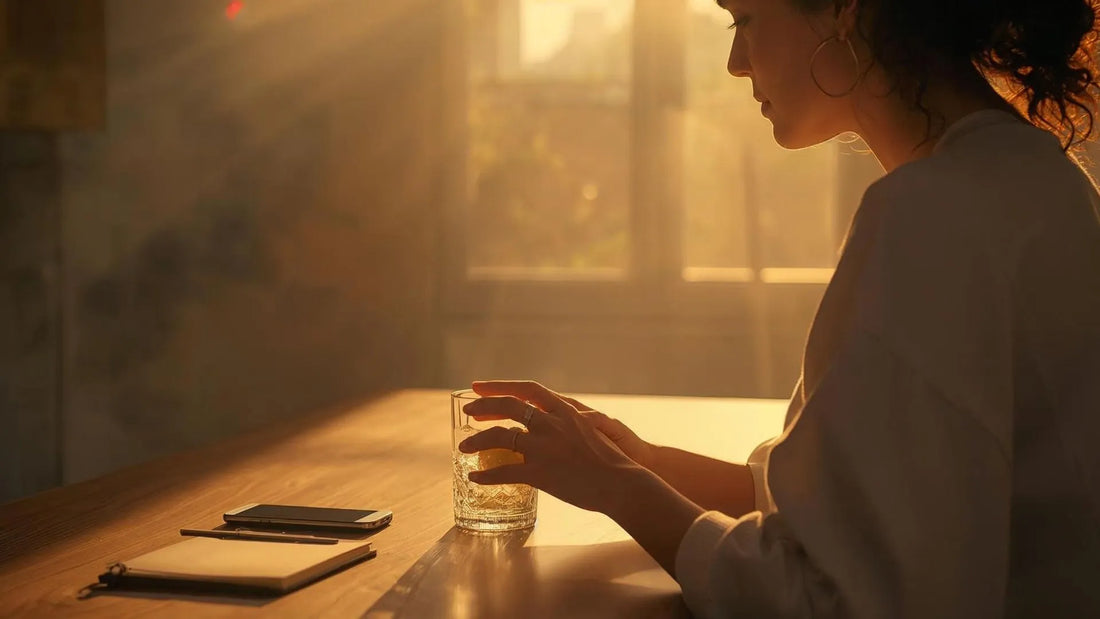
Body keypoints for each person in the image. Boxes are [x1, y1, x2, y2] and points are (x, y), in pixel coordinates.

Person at [457, 0, 1100, 615]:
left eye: (746, 19)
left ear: (846, 7)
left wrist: (619, 490)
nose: (736, 61)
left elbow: (838, 600)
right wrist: (641, 462)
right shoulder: (1043, 179)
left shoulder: (930, 215)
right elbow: (883, 500)